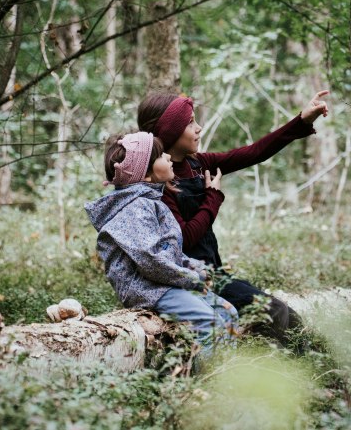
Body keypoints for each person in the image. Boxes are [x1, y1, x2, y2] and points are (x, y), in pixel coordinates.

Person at [137, 90, 329, 345]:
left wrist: (302, 120)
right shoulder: (159, 185)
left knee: (288, 316)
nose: (199, 127)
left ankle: (317, 371)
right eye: (190, 123)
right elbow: (184, 237)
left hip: (214, 274)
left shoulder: (198, 164)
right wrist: (213, 197)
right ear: (171, 132)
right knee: (274, 312)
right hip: (192, 280)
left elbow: (254, 152)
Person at [85, 131, 238, 358]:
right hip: (145, 289)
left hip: (162, 283)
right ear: (146, 175)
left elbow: (168, 250)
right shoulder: (135, 208)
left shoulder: (151, 201)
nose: (168, 156)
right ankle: (209, 383)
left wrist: (194, 267)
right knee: (208, 320)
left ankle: (228, 371)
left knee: (229, 313)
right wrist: (190, 278)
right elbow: (151, 260)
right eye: (160, 156)